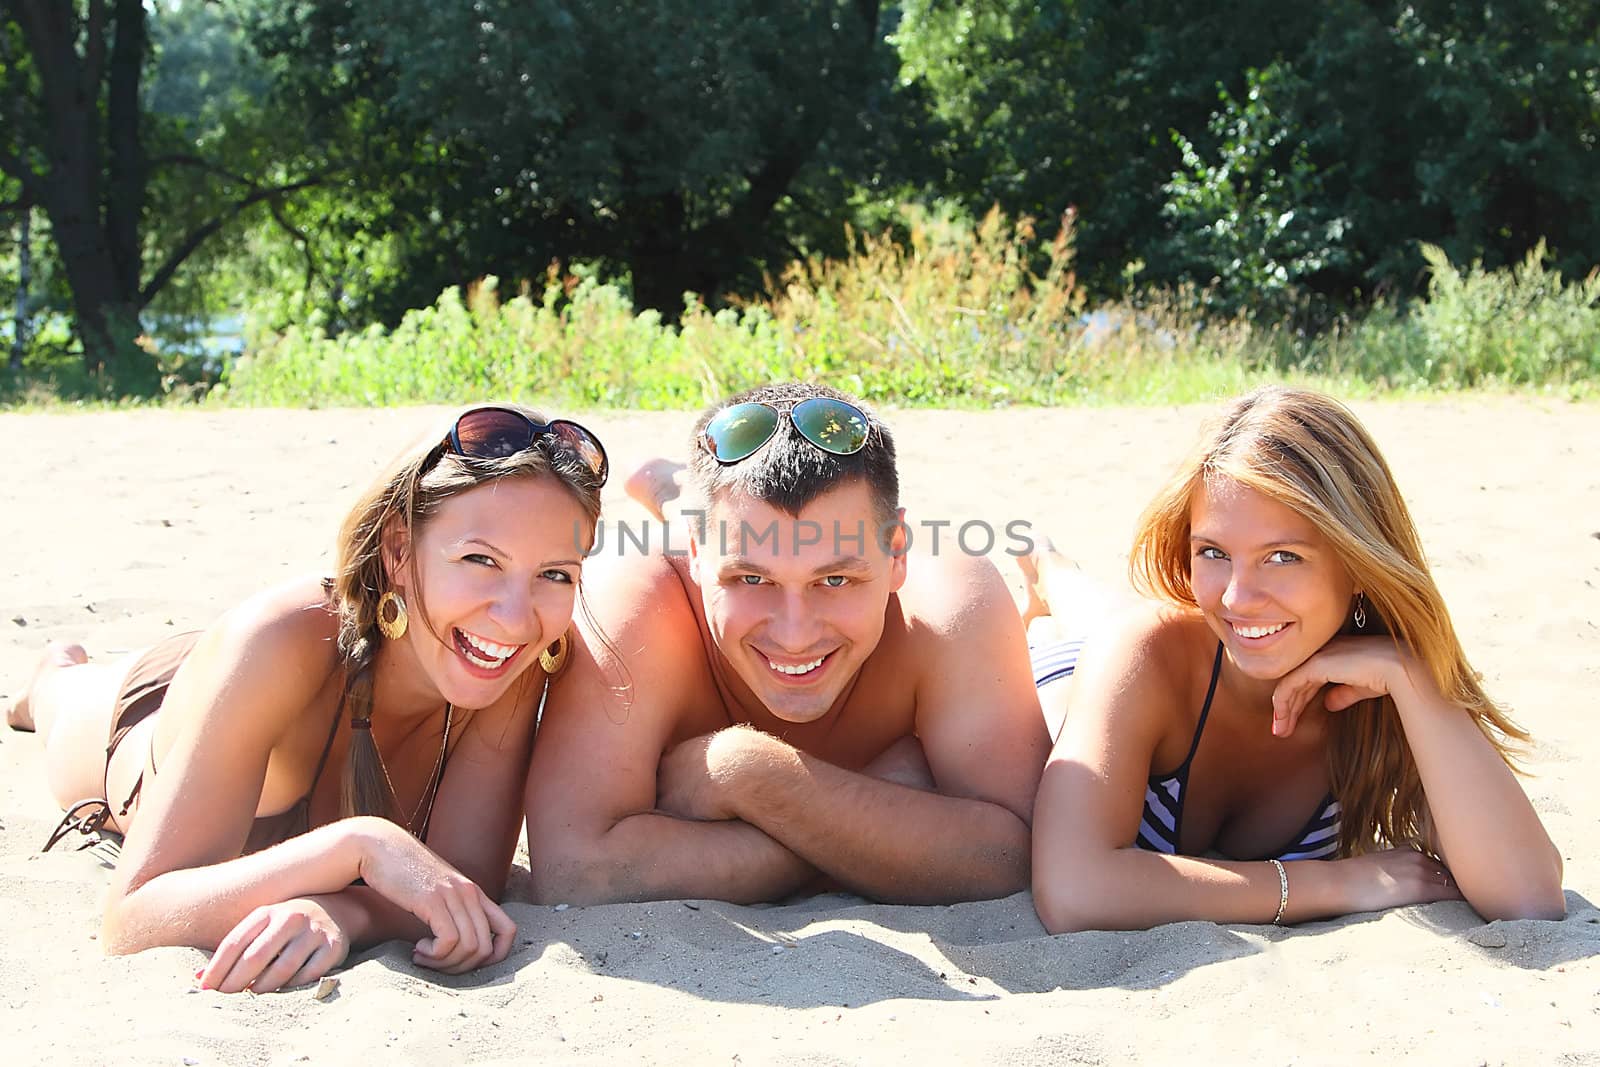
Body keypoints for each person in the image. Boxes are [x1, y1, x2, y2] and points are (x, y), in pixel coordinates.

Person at [4, 404, 608, 991]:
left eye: (554, 574)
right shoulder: (278, 636)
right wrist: (361, 846)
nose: (514, 614)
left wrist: (347, 912)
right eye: (480, 559)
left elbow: (461, 889)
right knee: (64, 702)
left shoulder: (509, 653)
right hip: (151, 711)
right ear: (399, 551)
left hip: (256, 680)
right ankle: (52, 674)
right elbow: (129, 920)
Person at [1027, 386, 1565, 932]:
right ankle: (1049, 569)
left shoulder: (1383, 700)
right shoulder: (1144, 652)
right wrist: (1334, 882)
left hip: (1190, 648)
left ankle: (1054, 572)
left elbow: (1529, 897)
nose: (1238, 594)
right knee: (1109, 624)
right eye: (1212, 551)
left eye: (1282, 556)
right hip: (1075, 678)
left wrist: (1412, 678)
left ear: (1359, 563)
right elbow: (1074, 892)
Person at [523, 381, 1049, 905]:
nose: (794, 635)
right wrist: (879, 811)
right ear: (697, 557)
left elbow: (1016, 852)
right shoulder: (637, 598)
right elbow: (577, 871)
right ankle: (672, 493)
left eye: (835, 581)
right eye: (752, 581)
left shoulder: (945, 601)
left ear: (896, 554)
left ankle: (681, 500)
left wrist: (749, 773)